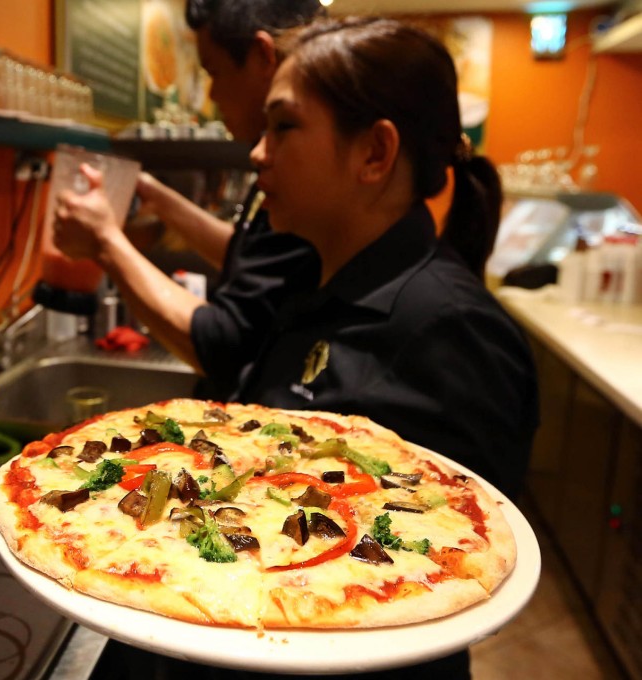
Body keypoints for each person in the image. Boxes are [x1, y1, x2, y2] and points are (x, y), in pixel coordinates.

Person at [84, 15, 539, 680]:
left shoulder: (452, 331)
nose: (258, 153)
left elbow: (437, 561)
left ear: (374, 155)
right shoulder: (321, 277)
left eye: (285, 127)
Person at [55, 0, 324, 399]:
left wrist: (105, 243)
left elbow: (225, 347)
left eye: (213, 71)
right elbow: (249, 254)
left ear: (262, 57)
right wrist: (159, 198)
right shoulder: (278, 160)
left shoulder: (307, 172)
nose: (212, 94)